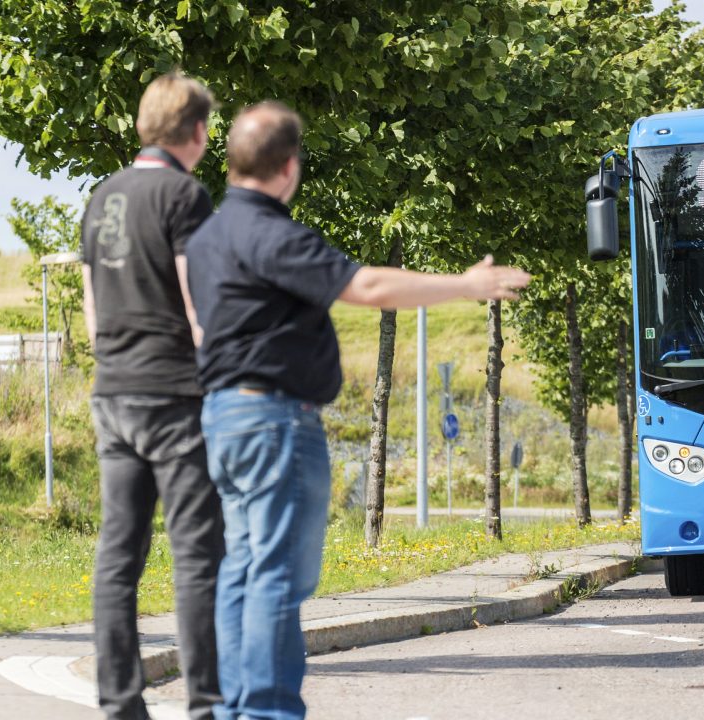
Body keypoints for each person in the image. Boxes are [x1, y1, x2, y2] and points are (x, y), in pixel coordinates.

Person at [186, 101, 531, 720]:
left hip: (223, 417)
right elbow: (366, 288)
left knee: (242, 569)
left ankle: (235, 705)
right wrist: (465, 284)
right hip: (273, 421)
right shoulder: (269, 233)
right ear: (289, 167)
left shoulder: (208, 236)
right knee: (275, 577)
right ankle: (263, 711)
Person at [80, 72, 225, 720]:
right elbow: (200, 305)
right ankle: (206, 703)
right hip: (173, 394)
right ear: (195, 132)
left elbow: (91, 311)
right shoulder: (184, 196)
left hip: (113, 392)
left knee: (119, 555)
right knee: (196, 553)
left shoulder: (101, 196)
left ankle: (119, 704)